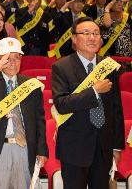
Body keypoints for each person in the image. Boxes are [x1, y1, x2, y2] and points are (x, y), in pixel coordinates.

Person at [52, 16, 125, 189]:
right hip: (74, 147)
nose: (92, 37)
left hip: (103, 147)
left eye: (95, 33)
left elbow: (116, 109)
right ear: (74, 39)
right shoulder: (62, 67)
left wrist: (117, 146)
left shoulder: (108, 66)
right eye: (86, 33)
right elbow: (62, 104)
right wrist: (93, 91)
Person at [0, 37, 48, 188]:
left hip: (24, 148)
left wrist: (42, 150)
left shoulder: (30, 85)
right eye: (7, 58)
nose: (13, 62)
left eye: (17, 57)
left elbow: (39, 120)